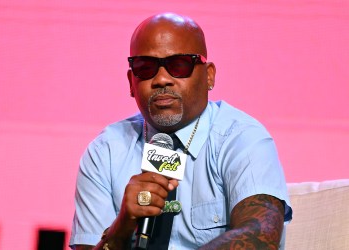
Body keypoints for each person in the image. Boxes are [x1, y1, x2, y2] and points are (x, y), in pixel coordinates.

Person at [69, 12, 292, 250]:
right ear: (131, 83)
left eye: (179, 65)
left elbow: (260, 236)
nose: (162, 79)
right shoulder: (106, 151)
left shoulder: (241, 138)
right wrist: (122, 226)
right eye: (145, 68)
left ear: (209, 76)